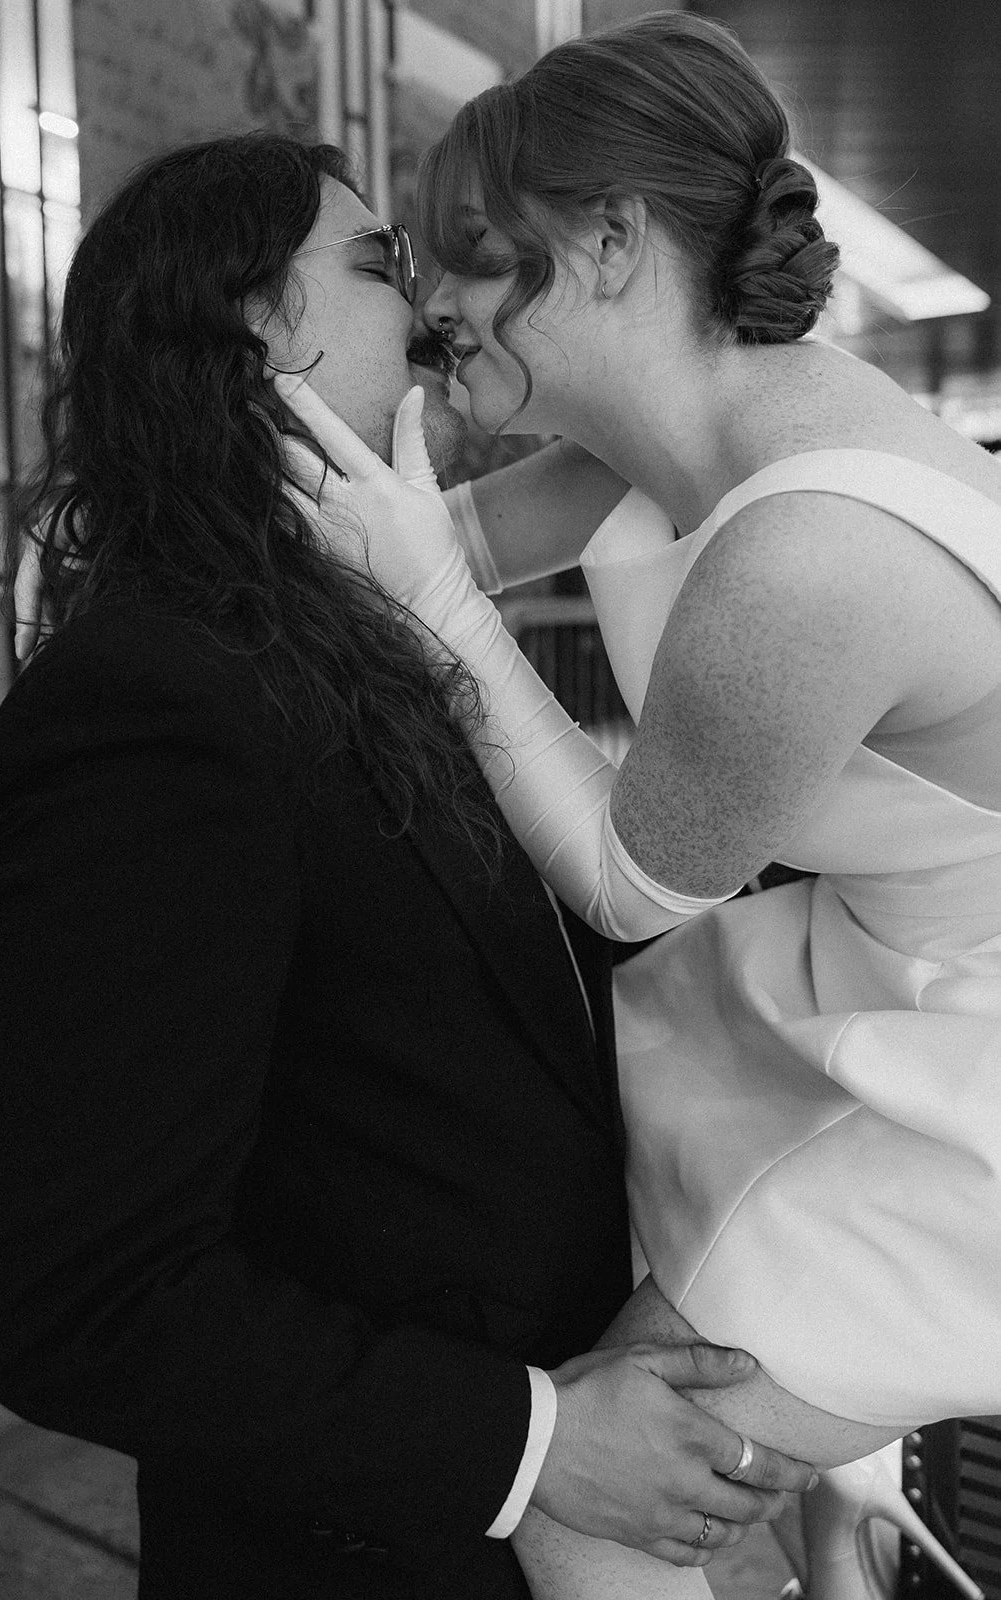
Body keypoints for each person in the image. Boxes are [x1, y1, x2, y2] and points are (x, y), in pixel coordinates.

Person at [0, 130, 816, 1600]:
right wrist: (533, 1444)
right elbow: (80, 1303)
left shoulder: (349, 621)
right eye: (375, 268)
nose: (424, 320)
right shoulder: (152, 699)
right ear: (242, 332)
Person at [273, 12, 1001, 1600]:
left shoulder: (809, 549)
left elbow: (625, 884)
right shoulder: (677, 436)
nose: (438, 311)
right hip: (885, 971)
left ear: (608, 238)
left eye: (465, 258)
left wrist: (417, 577)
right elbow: (413, 549)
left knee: (589, 1503)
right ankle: (843, 1503)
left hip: (977, 1077)